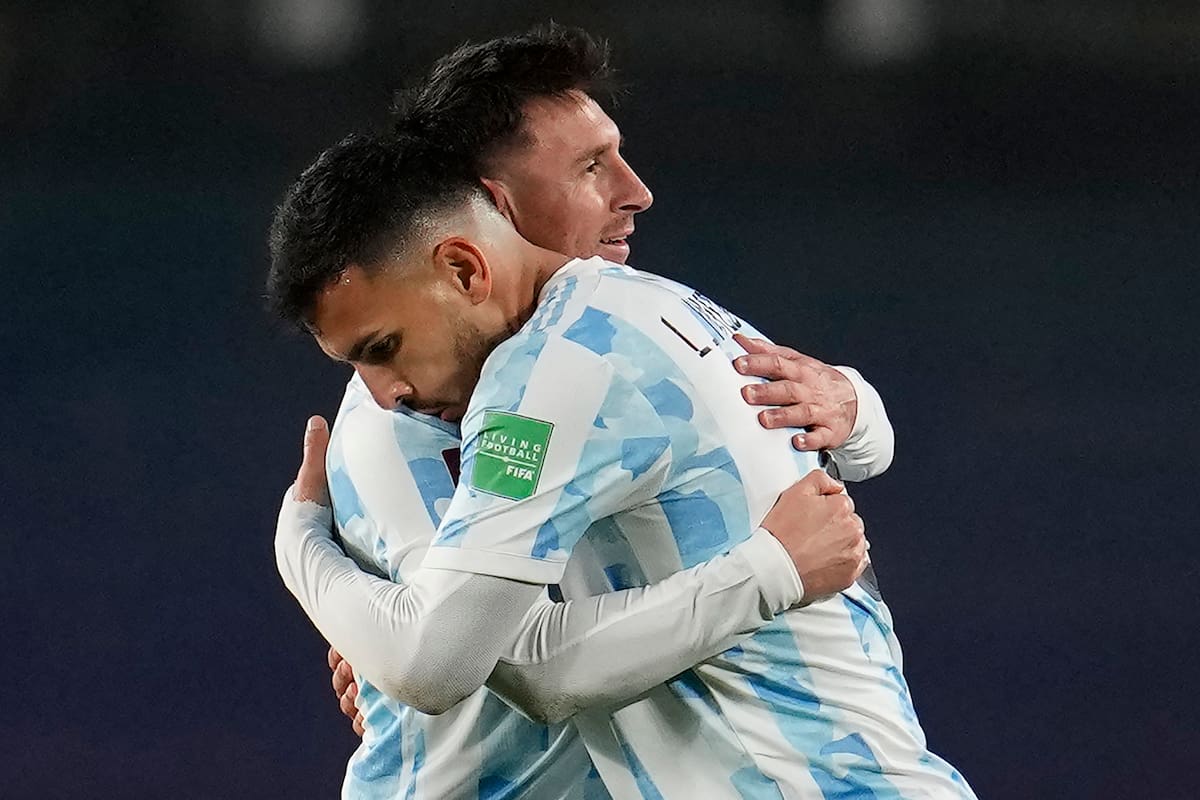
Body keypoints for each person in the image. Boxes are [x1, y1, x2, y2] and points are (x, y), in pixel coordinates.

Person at [274, 26, 899, 800]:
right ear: (487, 214)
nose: (635, 191)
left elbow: (455, 660)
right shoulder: (415, 411)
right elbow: (439, 665)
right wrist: (373, 634)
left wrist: (303, 551)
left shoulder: (565, 358)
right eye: (590, 166)